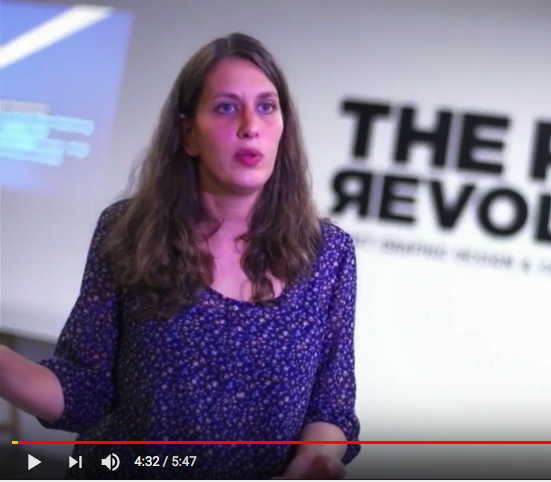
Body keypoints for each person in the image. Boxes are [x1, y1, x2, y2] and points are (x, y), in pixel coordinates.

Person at [0, 32, 360, 479]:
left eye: (267, 107)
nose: (250, 126)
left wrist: (315, 459)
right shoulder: (128, 230)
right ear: (188, 134)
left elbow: (330, 407)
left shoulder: (329, 255)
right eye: (226, 107)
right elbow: (83, 391)